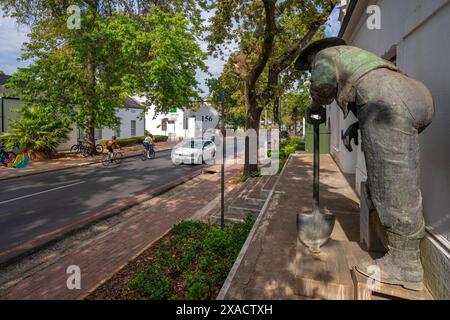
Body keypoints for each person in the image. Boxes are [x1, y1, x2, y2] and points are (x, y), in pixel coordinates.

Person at [295, 37, 434, 291]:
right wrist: (359, 124)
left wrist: (314, 104)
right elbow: (378, 87)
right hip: (410, 95)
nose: (311, 70)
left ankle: (406, 264)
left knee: (390, 183)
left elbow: (323, 84)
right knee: (398, 175)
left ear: (313, 57)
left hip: (385, 100)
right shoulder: (357, 57)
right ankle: (399, 250)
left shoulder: (325, 56)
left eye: (309, 68)